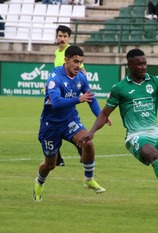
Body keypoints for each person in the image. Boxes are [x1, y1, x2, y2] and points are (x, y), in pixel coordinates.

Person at [78, 48, 158, 212]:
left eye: (145, 63)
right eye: (139, 64)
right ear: (129, 65)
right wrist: (91, 132)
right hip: (135, 136)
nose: (143, 67)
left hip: (156, 132)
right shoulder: (120, 88)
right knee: (154, 155)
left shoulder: (155, 81)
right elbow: (104, 114)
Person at [33, 45, 110, 202]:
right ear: (66, 60)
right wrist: (77, 99)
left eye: (81, 62)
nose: (78, 65)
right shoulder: (55, 78)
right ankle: (39, 183)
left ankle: (89, 179)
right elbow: (55, 102)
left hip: (69, 120)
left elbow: (90, 98)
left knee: (87, 142)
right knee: (50, 165)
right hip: (51, 126)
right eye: (75, 61)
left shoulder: (80, 77)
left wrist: (102, 115)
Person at [54, 25, 87, 166]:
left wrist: (83, 87)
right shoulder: (57, 53)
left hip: (67, 97)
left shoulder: (71, 53)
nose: (62, 39)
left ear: (69, 38)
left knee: (56, 127)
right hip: (58, 97)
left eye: (64, 36)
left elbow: (82, 72)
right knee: (58, 126)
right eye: (60, 35)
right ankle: (62, 157)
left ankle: (59, 158)